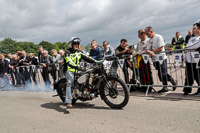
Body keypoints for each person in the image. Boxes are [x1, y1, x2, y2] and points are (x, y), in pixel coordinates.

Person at [64, 37, 101, 108]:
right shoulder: (67, 52)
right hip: (69, 70)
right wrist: (76, 66)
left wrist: (96, 61)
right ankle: (68, 101)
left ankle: (84, 91)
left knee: (86, 76)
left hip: (77, 70)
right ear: (71, 44)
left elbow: (87, 58)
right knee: (70, 83)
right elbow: (69, 62)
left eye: (78, 44)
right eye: (75, 44)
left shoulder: (79, 52)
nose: (76, 45)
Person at [145, 26, 177, 93]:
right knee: (160, 75)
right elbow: (147, 49)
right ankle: (165, 87)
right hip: (154, 59)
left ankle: (173, 81)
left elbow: (160, 48)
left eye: (147, 33)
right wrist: (150, 51)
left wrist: (152, 51)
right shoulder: (149, 40)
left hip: (161, 58)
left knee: (163, 74)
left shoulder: (158, 37)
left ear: (151, 31)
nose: (146, 35)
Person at [183, 22, 200, 96]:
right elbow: (187, 46)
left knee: (198, 76)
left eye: (194, 28)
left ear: (199, 29)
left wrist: (188, 47)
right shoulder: (191, 38)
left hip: (197, 60)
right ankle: (187, 90)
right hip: (189, 60)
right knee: (188, 75)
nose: (193, 30)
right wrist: (188, 47)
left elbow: (195, 46)